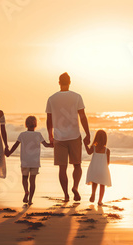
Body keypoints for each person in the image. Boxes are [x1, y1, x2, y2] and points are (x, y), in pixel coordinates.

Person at [46, 72, 90, 202]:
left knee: (62, 168)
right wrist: (87, 133)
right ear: (70, 82)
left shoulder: (51, 98)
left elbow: (49, 120)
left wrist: (50, 135)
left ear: (59, 82)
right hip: (75, 136)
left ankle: (65, 195)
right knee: (77, 165)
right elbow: (82, 116)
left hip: (59, 138)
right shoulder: (77, 97)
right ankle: (75, 187)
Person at [6, 116, 53, 205]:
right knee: (32, 181)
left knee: (24, 178)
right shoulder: (38, 135)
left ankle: (26, 192)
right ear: (35, 125)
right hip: (35, 162)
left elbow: (15, 145)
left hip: (25, 161)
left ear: (26, 124)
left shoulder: (22, 135)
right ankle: (30, 199)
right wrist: (55, 144)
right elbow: (46, 145)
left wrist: (8, 153)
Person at [84, 130, 112, 206]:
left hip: (94, 168)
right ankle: (100, 201)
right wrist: (103, 167)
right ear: (105, 139)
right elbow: (108, 162)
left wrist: (85, 145)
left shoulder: (94, 148)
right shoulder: (107, 150)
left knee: (94, 182)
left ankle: (93, 194)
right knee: (102, 185)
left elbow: (89, 152)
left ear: (96, 138)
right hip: (102, 170)